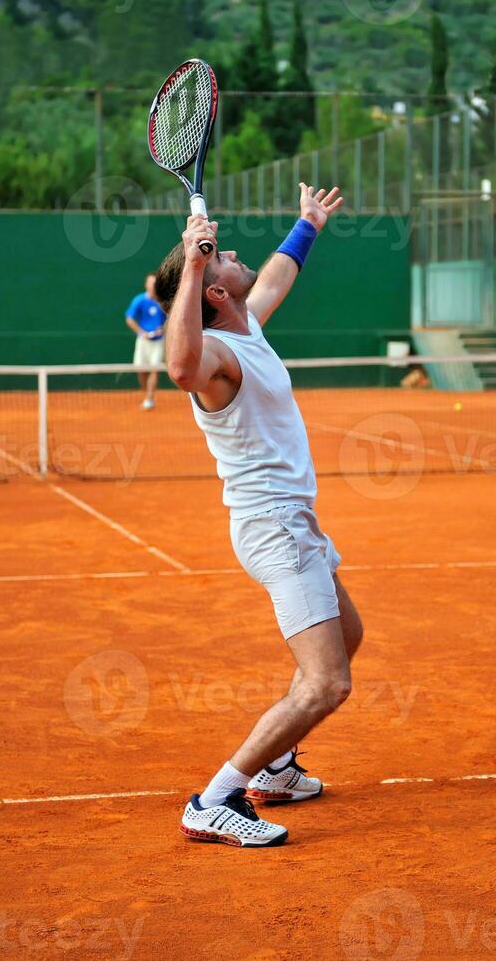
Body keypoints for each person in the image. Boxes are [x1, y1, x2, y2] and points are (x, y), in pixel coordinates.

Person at [155, 183, 363, 848]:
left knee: (347, 634)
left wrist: (308, 224)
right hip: (273, 524)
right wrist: (191, 262)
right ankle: (214, 799)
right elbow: (180, 367)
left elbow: (271, 277)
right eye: (224, 261)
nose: (237, 255)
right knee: (327, 683)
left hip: (291, 520)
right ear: (214, 291)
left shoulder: (246, 329)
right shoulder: (214, 358)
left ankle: (274, 770)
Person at [125, 273, 166, 410]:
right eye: (150, 282)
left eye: (155, 283)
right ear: (146, 285)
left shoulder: (163, 302)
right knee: (141, 370)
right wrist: (142, 333)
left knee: (154, 370)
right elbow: (129, 319)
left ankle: (149, 398)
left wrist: (163, 329)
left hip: (159, 341)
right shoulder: (139, 300)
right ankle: (147, 393)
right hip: (143, 341)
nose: (152, 285)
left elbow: (171, 318)